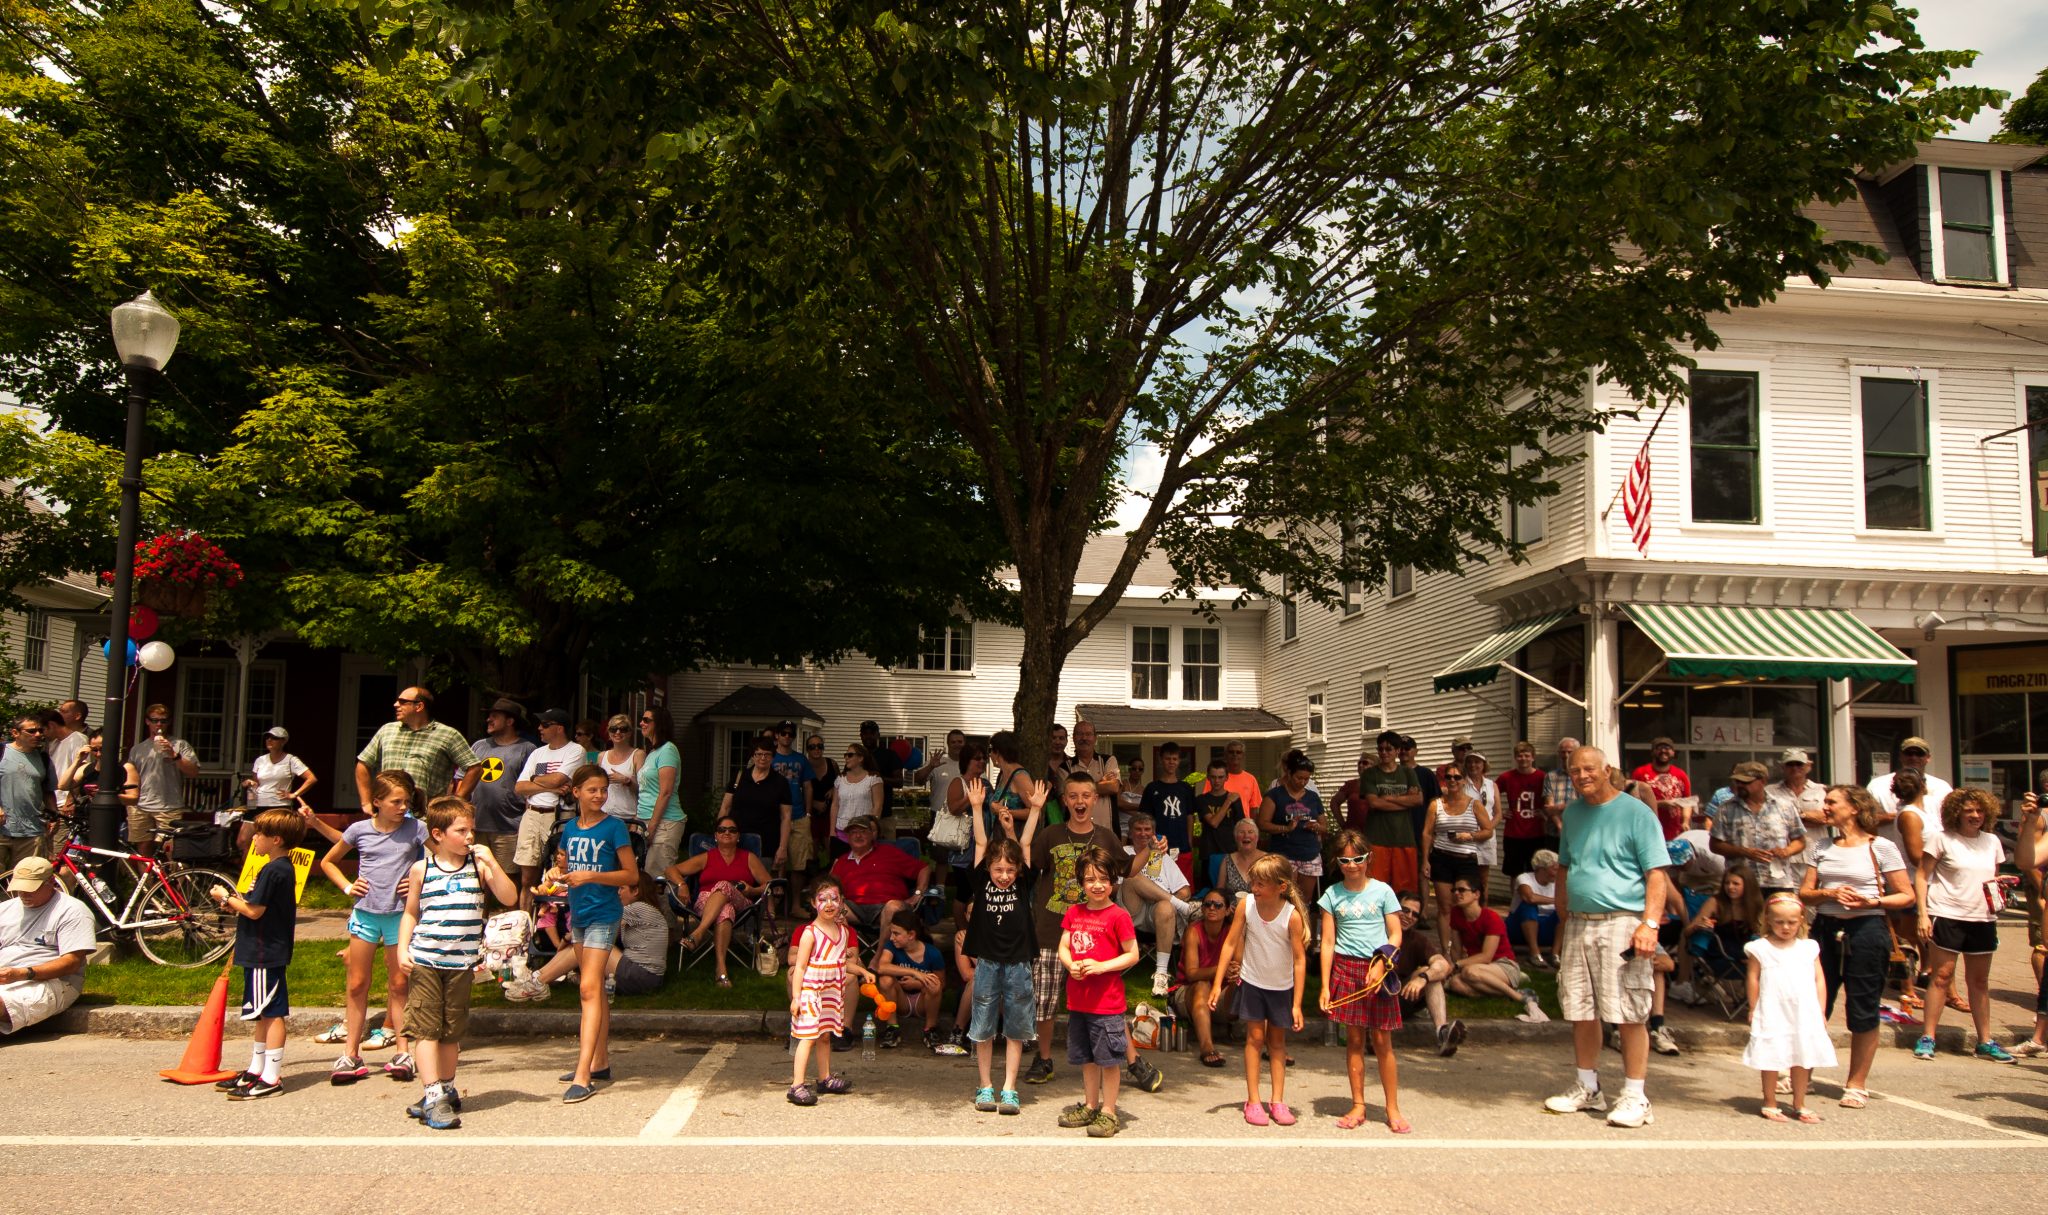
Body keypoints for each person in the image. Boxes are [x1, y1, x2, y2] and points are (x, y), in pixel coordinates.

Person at [1542, 746, 1669, 1129]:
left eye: (1588, 769)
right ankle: (1588, 1087)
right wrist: (1564, 915)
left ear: (1606, 770)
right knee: (1581, 1009)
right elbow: (1565, 866)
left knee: (1628, 1010)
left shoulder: (1636, 813)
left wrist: (1649, 924)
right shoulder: (1574, 813)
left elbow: (1657, 874)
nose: (1581, 776)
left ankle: (1635, 1095)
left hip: (1623, 920)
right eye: (1574, 770)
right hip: (1580, 922)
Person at [395, 795, 518, 1129]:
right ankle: (433, 1094)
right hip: (426, 961)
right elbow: (410, 913)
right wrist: (401, 949)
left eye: (471, 830)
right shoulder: (422, 869)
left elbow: (509, 897)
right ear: (438, 834)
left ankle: (446, 1088)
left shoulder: (478, 866)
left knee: (451, 1032)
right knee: (426, 1030)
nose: (469, 837)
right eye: (461, 830)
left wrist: (493, 863)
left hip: (462, 964)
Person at [1797, 784, 1914, 1108]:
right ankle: (1801, 1076)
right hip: (1826, 927)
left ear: (1854, 807)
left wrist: (1871, 900)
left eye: (1832, 802)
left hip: (1867, 929)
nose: (1826, 808)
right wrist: (1829, 894)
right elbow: (1804, 893)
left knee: (1862, 1007)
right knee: (1815, 1003)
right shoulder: (1821, 846)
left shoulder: (1883, 847)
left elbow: (1906, 894)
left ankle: (1856, 1084)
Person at [318, 771, 428, 1086]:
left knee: (398, 984)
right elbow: (328, 861)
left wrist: (418, 882)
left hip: (400, 916)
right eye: (396, 801)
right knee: (356, 983)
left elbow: (440, 857)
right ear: (376, 802)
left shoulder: (415, 828)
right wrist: (346, 886)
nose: (402, 807)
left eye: (406, 801)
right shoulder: (359, 830)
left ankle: (403, 1051)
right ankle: (351, 1053)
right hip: (366, 914)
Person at [1024, 772, 1124, 1087]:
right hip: (1052, 931)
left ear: (1095, 799)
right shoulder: (1052, 834)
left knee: (1105, 1003)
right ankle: (1043, 1058)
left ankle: (1124, 1058)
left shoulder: (1107, 836)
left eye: (1086, 796)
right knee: (1045, 1000)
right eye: (1073, 796)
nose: (1079, 802)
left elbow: (1126, 871)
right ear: (1065, 800)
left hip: (1096, 938)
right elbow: (1027, 860)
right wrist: (1031, 815)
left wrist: (1153, 853)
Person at [962, 771, 1046, 1114]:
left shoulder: (1022, 880)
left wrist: (1036, 810)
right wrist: (978, 807)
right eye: (998, 870)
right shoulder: (982, 876)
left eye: (1009, 870)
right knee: (982, 1026)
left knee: (1016, 1026)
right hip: (987, 960)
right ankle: (985, 1086)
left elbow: (1025, 844)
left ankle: (1009, 1087)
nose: (1004, 875)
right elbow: (981, 844)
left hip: (1018, 962)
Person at [1914, 787, 2018, 1063]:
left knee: (1980, 981)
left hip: (1982, 918)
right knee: (1942, 977)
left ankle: (1985, 1040)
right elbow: (1922, 876)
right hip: (1947, 913)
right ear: (1956, 813)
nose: (1975, 815)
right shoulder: (1941, 839)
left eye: (1980, 810)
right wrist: (1922, 914)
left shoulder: (1992, 841)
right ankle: (1928, 1037)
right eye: (1969, 810)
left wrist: (2002, 892)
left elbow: (1992, 879)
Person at [208, 808, 306, 1099]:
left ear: (276, 839)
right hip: (263, 950)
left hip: (266, 951)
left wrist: (224, 897)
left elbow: (254, 910)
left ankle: (272, 1077)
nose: (255, 838)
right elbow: (256, 905)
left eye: (260, 834)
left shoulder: (276, 869)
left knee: (272, 1013)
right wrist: (235, 903)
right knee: (262, 1012)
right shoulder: (276, 868)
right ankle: (256, 1069)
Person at [555, 764, 639, 1102]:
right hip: (580, 914)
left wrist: (590, 876)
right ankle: (599, 1061)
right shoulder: (570, 828)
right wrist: (560, 872)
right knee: (595, 994)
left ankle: (583, 1073)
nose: (599, 795)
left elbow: (631, 875)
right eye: (592, 790)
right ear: (576, 793)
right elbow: (566, 865)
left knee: (589, 989)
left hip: (605, 914)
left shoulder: (614, 827)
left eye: (603, 790)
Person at [1317, 829, 1408, 1133]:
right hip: (1346, 968)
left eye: (1358, 858)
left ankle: (1392, 1107)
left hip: (1377, 968)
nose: (1352, 865)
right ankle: (1358, 1104)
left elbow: (1395, 934)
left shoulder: (1383, 891)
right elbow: (1328, 942)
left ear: (1368, 858)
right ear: (1337, 860)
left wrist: (1382, 962)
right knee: (1354, 1040)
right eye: (1345, 859)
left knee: (1382, 1041)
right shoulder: (1331, 895)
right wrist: (1326, 985)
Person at [1209, 852, 1306, 1127]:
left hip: (1281, 987)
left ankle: (1277, 1100)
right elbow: (1229, 944)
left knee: (1277, 1044)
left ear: (1281, 887)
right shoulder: (1246, 906)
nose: (1254, 889)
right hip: (1252, 982)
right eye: (1253, 883)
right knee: (1253, 1039)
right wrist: (1217, 984)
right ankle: (1253, 1100)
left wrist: (1297, 1003)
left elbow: (1299, 960)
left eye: (1261, 884)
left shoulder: (1292, 916)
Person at [1056, 846, 1139, 1138]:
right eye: (1090, 879)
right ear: (1081, 883)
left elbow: (1132, 955)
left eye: (1103, 879)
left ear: (1113, 882)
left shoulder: (1118, 916)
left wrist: (1101, 966)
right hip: (1079, 1001)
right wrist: (1071, 965)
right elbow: (1064, 946)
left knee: (1109, 1060)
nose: (1097, 885)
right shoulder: (1074, 912)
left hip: (1107, 1003)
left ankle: (1109, 1111)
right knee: (1087, 1058)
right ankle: (1091, 1104)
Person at [1743, 892, 1836, 1123]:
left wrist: (1821, 1010)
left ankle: (1800, 1103)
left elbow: (1819, 980)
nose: (1786, 927)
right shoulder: (1760, 948)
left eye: (1792, 922)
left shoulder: (1809, 948)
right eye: (1779, 922)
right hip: (1773, 1008)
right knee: (1771, 1053)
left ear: (1801, 921)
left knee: (1802, 1054)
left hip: (1803, 1010)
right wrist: (1753, 1007)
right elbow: (1753, 978)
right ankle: (1770, 1101)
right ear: (1768, 920)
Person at [510, 871, 669, 1001]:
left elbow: (597, 923)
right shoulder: (636, 912)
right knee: (587, 942)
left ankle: (537, 981)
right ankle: (536, 979)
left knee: (592, 943)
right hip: (640, 975)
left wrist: (566, 938)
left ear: (636, 891)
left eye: (622, 889)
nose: (618, 893)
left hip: (643, 976)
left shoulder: (639, 908)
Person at [787, 874, 874, 1106]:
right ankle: (796, 1085)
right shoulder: (810, 933)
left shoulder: (843, 933)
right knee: (808, 1037)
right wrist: (797, 997)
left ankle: (824, 1077)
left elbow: (840, 962)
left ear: (842, 902)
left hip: (831, 992)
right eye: (822, 899)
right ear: (814, 903)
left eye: (834, 898)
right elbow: (801, 966)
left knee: (825, 1035)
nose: (829, 904)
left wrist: (862, 972)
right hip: (810, 992)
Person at [665, 815, 771, 988]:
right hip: (705, 904)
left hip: (741, 905)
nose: (727, 833)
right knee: (725, 910)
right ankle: (721, 969)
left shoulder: (748, 857)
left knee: (724, 885)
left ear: (738, 836)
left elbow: (769, 885)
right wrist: (682, 884)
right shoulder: (707, 857)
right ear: (715, 835)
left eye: (732, 830)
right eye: (722, 830)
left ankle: (698, 933)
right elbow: (671, 870)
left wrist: (752, 890)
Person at [0, 857, 92, 1035]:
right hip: (6, 976)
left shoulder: (72, 911)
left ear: (51, 882)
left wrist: (23, 973)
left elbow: (72, 962)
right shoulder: (5, 909)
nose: (24, 894)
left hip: (52, 982)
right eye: (20, 888)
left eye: (31, 888)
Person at [354, 687, 482, 815]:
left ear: (419, 706)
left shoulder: (447, 735)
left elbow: (475, 768)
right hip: (387, 815)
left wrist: (456, 802)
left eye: (402, 701)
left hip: (426, 817)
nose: (396, 705)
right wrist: (366, 802)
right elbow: (363, 763)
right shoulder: (386, 730)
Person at [513, 710, 586, 911]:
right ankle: (525, 924)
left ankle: (552, 924)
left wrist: (535, 780)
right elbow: (519, 787)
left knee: (556, 872)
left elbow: (558, 779)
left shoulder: (575, 750)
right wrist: (552, 788)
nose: (539, 729)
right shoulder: (537, 753)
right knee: (527, 876)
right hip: (532, 814)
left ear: (559, 728)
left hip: (558, 815)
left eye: (545, 725)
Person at [1445, 877, 1544, 1018]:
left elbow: (1487, 956)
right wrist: (1454, 970)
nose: (1456, 893)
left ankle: (1518, 997)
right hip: (1478, 966)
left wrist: (1456, 965)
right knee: (1455, 983)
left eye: (1461, 890)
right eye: (1454, 890)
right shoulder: (1456, 914)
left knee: (1469, 972)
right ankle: (1503, 993)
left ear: (1476, 894)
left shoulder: (1491, 917)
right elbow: (1456, 948)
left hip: (1503, 965)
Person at [1120, 811, 1194, 996]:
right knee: (1132, 875)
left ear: (1154, 833)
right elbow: (1112, 888)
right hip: (1131, 909)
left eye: (1147, 829)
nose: (1143, 833)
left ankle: (1161, 974)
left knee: (1166, 906)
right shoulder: (1123, 852)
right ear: (1130, 833)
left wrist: (1160, 895)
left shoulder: (1163, 856)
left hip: (1159, 914)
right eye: (1138, 829)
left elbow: (1185, 890)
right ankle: (1184, 908)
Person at [1710, 761, 1806, 898]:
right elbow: (1715, 845)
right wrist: (1743, 851)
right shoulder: (1726, 809)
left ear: (1763, 781)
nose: (1740, 785)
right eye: (1737, 781)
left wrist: (1787, 851)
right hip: (1741, 884)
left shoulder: (1784, 806)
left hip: (1778, 881)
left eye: (1745, 782)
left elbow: (1800, 840)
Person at [829, 814, 930, 942]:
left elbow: (923, 868)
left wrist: (918, 893)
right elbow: (829, 889)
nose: (858, 836)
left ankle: (880, 957)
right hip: (854, 911)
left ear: (872, 835)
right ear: (848, 837)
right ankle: (848, 954)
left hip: (886, 908)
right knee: (829, 906)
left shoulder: (889, 852)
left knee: (893, 907)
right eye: (853, 832)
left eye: (863, 832)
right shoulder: (842, 862)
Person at [468, 699, 535, 880]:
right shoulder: (479, 746)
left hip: (510, 827)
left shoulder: (527, 749)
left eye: (494, 716)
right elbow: (462, 779)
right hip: (477, 826)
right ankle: (483, 910)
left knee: (507, 878)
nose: (489, 719)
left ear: (510, 721)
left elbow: (532, 788)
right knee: (477, 877)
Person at [1390, 892, 1462, 1050]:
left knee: (1431, 974)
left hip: (1400, 999)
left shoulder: (1417, 940)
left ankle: (1443, 1034)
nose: (1409, 916)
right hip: (1373, 997)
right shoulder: (1374, 931)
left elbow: (1443, 965)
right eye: (1405, 910)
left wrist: (1423, 977)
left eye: (1415, 914)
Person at [1425, 773, 1490, 948]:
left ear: (1463, 781)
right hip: (1441, 858)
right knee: (1445, 907)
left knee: (1466, 905)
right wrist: (1425, 860)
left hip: (1466, 860)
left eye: (1457, 777)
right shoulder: (1436, 804)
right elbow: (1427, 833)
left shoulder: (1474, 804)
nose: (1453, 780)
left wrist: (1469, 836)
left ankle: (1467, 949)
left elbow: (1488, 830)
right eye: (1449, 777)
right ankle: (1446, 950)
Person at [1355, 731, 1423, 893]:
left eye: (1389, 749)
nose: (1384, 753)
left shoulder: (1407, 773)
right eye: (1381, 749)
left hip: (1404, 838)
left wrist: (1390, 798)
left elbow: (1418, 800)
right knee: (1374, 887)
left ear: (1398, 751)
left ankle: (1403, 919)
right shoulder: (1371, 774)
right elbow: (1374, 803)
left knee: (1405, 888)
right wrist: (1405, 799)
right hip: (1377, 838)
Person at [126, 704, 198, 858]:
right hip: (141, 806)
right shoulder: (137, 749)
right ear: (147, 721)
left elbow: (193, 772)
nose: (159, 724)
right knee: (143, 850)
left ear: (169, 722)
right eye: (154, 720)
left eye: (163, 721)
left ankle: (173, 882)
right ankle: (149, 882)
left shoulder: (180, 745)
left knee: (170, 849)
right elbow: (132, 776)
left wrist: (174, 755)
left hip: (169, 805)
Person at [1260, 749, 1327, 909]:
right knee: (1284, 898)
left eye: (1306, 779)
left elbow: (1324, 826)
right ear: (1289, 773)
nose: (1302, 782)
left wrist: (1317, 827)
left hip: (1309, 853)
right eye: (1299, 778)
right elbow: (1262, 823)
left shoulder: (1312, 797)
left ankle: (1303, 931)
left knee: (1304, 901)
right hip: (1284, 853)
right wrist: (1286, 828)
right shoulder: (1274, 795)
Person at [1182, 890, 1238, 1069]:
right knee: (1202, 984)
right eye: (1207, 904)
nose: (1211, 908)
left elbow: (1239, 964)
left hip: (1222, 995)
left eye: (1218, 905)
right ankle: (1207, 1047)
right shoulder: (1194, 931)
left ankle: (1273, 1046)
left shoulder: (1234, 932)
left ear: (1228, 910)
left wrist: (1235, 972)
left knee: (1246, 984)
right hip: (1190, 994)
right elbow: (1191, 974)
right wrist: (1220, 971)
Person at [722, 736, 793, 876]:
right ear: (753, 756)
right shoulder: (739, 778)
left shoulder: (780, 782)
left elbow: (786, 817)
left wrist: (782, 847)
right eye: (759, 754)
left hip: (765, 845)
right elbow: (725, 807)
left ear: (773, 757)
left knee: (762, 888)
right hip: (736, 842)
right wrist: (719, 834)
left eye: (767, 754)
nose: (762, 758)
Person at [875, 911, 947, 1048]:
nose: (891, 938)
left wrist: (918, 983)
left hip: (923, 1001)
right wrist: (915, 972)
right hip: (901, 1001)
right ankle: (892, 1027)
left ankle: (930, 1029)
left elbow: (942, 984)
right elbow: (882, 967)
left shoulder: (932, 953)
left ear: (911, 935)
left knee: (934, 984)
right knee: (885, 979)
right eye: (891, 933)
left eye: (896, 934)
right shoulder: (891, 947)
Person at [941, 741, 991, 924]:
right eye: (976, 758)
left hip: (984, 845)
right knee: (963, 891)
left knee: (980, 890)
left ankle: (977, 929)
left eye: (984, 758)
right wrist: (971, 797)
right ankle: (961, 932)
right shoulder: (958, 782)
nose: (982, 762)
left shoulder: (986, 783)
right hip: (963, 847)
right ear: (966, 761)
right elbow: (953, 808)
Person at [242, 727, 315, 845]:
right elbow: (256, 783)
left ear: (283, 741)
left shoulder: (291, 760)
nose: (269, 740)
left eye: (274, 738)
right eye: (267, 737)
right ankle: (247, 864)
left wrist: (294, 794)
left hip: (278, 805)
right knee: (243, 841)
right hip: (257, 804)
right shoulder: (260, 760)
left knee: (274, 842)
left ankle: (272, 864)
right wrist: (249, 784)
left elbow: (311, 779)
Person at [0, 714, 53, 871]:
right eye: (31, 731)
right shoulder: (2, 751)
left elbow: (48, 790)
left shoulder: (43, 758)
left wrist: (54, 814)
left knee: (26, 881)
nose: (37, 734)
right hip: (2, 829)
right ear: (15, 733)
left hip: (31, 831)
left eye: (40, 730)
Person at [1766, 748, 1827, 885]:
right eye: (1790, 764)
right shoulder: (1769, 792)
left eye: (1799, 764)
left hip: (1815, 855)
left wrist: (1793, 816)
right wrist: (1808, 817)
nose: (1794, 768)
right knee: (1787, 901)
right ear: (1782, 766)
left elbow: (1825, 818)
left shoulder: (1822, 790)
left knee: (1813, 900)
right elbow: (1768, 820)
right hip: (1783, 857)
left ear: (1808, 766)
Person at [636, 707, 684, 881]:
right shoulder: (653, 752)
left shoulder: (668, 750)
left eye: (646, 720)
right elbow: (645, 792)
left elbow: (665, 792)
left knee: (658, 879)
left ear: (660, 724)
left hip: (664, 823)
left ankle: (665, 910)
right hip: (646, 820)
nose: (641, 723)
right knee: (645, 877)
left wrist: (651, 829)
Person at [770, 721, 821, 881]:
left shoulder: (800, 759)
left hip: (799, 816)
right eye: (783, 733)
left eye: (790, 734)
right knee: (776, 861)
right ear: (777, 735)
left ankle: (795, 904)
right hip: (775, 817)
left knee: (800, 864)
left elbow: (808, 787)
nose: (787, 736)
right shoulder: (769, 758)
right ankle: (776, 900)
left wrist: (808, 813)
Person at [1495, 742, 1549, 886]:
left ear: (1533, 757)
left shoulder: (1543, 777)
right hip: (1513, 833)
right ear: (1515, 758)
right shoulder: (1506, 777)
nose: (1523, 758)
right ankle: (1515, 904)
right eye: (1519, 756)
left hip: (1536, 833)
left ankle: (1535, 903)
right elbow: (1490, 795)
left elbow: (1551, 799)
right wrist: (1499, 813)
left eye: (1526, 755)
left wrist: (1544, 813)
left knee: (1537, 870)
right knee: (1515, 873)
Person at [1867, 736, 1953, 820]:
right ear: (1900, 756)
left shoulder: (1942, 787)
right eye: (1909, 753)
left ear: (1928, 758)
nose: (1913, 757)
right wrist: (1900, 817)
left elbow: (1952, 818)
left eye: (1919, 754)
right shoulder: (1877, 785)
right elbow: (1865, 819)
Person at [1629, 737, 1691, 842]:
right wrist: (1659, 804)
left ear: (1673, 752)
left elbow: (1687, 802)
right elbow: (1632, 802)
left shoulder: (1681, 775)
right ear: (1652, 752)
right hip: (1648, 832)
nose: (1663, 751)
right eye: (1659, 748)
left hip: (1676, 834)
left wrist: (1685, 821)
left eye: (1667, 748)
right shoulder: (1640, 773)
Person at [1508, 850, 1561, 968]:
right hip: (1520, 927)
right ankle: (1534, 953)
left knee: (1563, 912)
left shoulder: (1558, 883)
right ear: (1542, 869)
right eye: (1554, 869)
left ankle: (1555, 953)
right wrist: (1556, 900)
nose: (1557, 873)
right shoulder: (1524, 878)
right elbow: (1529, 897)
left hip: (1546, 928)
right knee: (1528, 906)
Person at [1138, 743, 1193, 853]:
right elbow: (1145, 817)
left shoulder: (1185, 788)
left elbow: (1190, 816)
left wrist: (1189, 840)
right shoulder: (1152, 788)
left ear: (1179, 761)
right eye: (1168, 759)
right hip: (1157, 845)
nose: (1171, 762)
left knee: (1182, 871)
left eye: (1174, 759)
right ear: (1161, 760)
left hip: (1182, 845)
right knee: (1156, 871)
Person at [1196, 756, 1249, 869]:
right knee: (1210, 887)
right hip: (1209, 853)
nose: (1217, 781)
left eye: (1220, 777)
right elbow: (1214, 822)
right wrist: (1228, 801)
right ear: (1208, 778)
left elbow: (1241, 826)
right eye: (1213, 777)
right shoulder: (1202, 799)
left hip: (1231, 851)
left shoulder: (1235, 799)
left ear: (1226, 778)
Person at [829, 743, 884, 852]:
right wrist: (832, 831)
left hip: (863, 833)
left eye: (850, 755)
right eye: (845, 755)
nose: (846, 758)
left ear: (860, 758)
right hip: (841, 832)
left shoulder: (874, 779)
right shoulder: (840, 779)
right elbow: (835, 805)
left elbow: (877, 806)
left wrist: (871, 830)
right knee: (840, 866)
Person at [1462, 750, 1501, 899]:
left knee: (1483, 878)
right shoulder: (1462, 784)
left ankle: (1483, 910)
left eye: (1477, 762)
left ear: (1484, 764)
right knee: (1466, 876)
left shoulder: (1492, 785)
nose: (1473, 765)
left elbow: (1497, 812)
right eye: (1470, 762)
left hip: (1487, 836)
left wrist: (1487, 829)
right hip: (1468, 835)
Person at [44, 701, 87, 818]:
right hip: (52, 802)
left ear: (51, 725)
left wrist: (70, 801)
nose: (40, 734)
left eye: (63, 711)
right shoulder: (52, 742)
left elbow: (81, 771)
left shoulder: (79, 740)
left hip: (65, 804)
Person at [595, 714, 641, 824]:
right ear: (608, 732)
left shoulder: (638, 755)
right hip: (604, 815)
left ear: (630, 732)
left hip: (629, 817)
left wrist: (627, 781)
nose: (618, 733)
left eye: (623, 729)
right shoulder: (601, 756)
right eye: (613, 729)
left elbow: (645, 791)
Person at [1204, 739, 1264, 820]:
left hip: (1242, 826)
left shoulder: (1251, 779)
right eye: (1231, 752)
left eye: (1238, 752)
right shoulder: (1216, 777)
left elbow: (1254, 808)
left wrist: (1252, 827)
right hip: (1220, 823)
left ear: (1243, 755)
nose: (1235, 755)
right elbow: (1207, 801)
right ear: (1225, 755)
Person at [1217, 817, 1264, 899]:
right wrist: (1227, 906)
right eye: (1241, 832)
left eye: (1250, 832)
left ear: (1257, 837)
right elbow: (1219, 892)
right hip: (1232, 909)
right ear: (1236, 838)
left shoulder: (1268, 860)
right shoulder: (1227, 860)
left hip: (1261, 908)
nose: (1246, 835)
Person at [858, 719, 906, 800]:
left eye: (872, 733)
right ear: (861, 736)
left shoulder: (890, 755)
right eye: (865, 734)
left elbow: (899, 782)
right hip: (858, 808)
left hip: (883, 808)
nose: (868, 736)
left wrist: (880, 778)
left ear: (878, 735)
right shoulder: (855, 755)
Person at [1543, 737, 1579, 838]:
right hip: (1554, 831)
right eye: (1563, 752)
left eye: (1570, 752)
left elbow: (1584, 804)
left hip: (1578, 830)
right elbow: (1549, 808)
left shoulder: (1582, 776)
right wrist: (1560, 826)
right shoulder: (1550, 776)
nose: (1566, 755)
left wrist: (1558, 807)